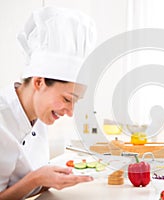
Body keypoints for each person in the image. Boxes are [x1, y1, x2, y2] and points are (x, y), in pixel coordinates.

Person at [0, 6, 97, 199]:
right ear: (38, 82)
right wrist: (36, 179)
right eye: (67, 99)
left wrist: (51, 180)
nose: (70, 112)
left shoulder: (40, 113)